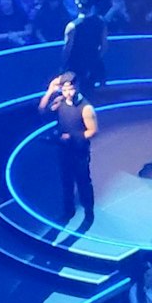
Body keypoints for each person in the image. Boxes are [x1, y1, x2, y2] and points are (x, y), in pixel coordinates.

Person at [41, 72, 98, 224]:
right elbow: (42, 110)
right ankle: (68, 211)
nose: (68, 93)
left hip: (79, 152)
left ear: (77, 87)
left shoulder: (86, 108)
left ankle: (89, 211)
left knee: (83, 182)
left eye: (71, 89)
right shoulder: (60, 101)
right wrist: (50, 91)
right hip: (64, 149)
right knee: (66, 181)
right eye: (65, 90)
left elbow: (92, 131)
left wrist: (73, 136)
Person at [63, 0, 110, 91]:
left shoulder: (72, 27)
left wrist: (66, 66)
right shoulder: (101, 22)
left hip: (76, 67)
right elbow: (104, 46)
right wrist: (94, 59)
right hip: (93, 64)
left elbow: (67, 49)